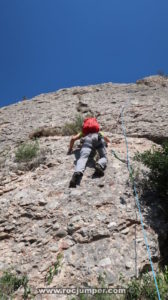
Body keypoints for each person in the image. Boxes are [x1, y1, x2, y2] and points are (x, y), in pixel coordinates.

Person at [67, 118, 110, 188]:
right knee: (103, 157)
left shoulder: (83, 133)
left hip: (87, 140)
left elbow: (73, 139)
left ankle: (77, 172)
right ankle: (99, 164)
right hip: (98, 139)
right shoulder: (99, 132)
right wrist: (107, 143)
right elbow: (107, 140)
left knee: (82, 158)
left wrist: (70, 149)